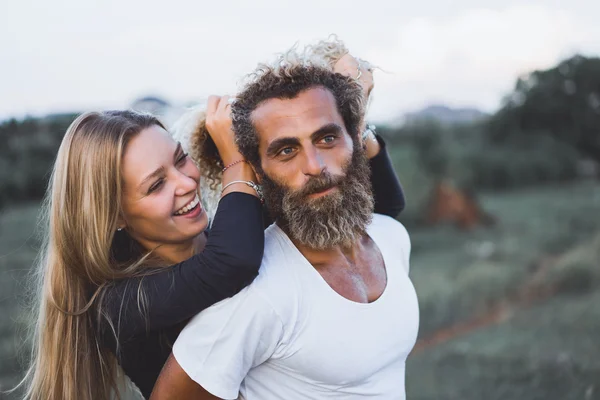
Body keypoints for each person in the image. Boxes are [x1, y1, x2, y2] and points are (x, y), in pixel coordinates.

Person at [18, 42, 406, 400]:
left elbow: (382, 209)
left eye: (180, 158)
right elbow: (232, 264)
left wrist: (352, 120)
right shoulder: (120, 304)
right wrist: (237, 161)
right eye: (156, 185)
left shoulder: (225, 240)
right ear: (115, 216)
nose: (187, 182)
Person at [150, 52, 419, 400]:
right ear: (258, 172)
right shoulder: (255, 296)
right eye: (286, 151)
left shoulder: (391, 237)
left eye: (327, 139)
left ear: (356, 138)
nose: (315, 165)